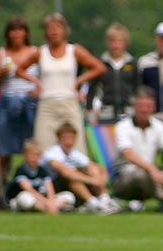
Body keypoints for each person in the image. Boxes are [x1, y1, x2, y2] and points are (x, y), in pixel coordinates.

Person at [16, 13, 104, 155]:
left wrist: (79, 80)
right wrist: (36, 82)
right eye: (50, 28)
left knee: (77, 149)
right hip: (47, 106)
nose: (54, 31)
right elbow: (19, 70)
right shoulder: (41, 52)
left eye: (58, 27)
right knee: (43, 148)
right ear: (45, 32)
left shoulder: (74, 50)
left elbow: (99, 67)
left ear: (65, 30)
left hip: (69, 103)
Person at [112, 89, 163, 210]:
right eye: (141, 106)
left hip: (151, 176)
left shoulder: (158, 126)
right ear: (134, 107)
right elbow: (127, 154)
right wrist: (151, 169)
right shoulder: (123, 126)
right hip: (126, 177)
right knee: (140, 174)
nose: (144, 110)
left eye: (148, 106)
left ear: (153, 108)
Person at [0, 17, 39, 180]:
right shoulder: (1, 54)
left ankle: (33, 181)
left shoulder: (36, 52)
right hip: (7, 102)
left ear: (26, 33)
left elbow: (43, 78)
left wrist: (38, 88)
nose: (16, 34)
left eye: (19, 30)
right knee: (4, 151)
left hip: (30, 103)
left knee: (32, 147)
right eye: (12, 30)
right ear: (8, 34)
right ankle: (1, 188)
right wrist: (0, 73)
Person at [43, 121, 118, 213]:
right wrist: (93, 180)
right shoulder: (52, 153)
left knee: (92, 169)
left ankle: (104, 199)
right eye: (65, 138)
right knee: (73, 176)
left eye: (71, 138)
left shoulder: (74, 153)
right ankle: (94, 204)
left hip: (74, 187)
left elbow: (96, 167)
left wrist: (101, 178)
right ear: (59, 138)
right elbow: (65, 172)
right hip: (54, 187)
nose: (69, 141)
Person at [91, 23, 139, 157]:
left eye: (119, 41)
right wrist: (92, 110)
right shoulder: (100, 63)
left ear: (125, 43)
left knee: (127, 147)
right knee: (107, 150)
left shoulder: (132, 64)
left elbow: (137, 88)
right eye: (112, 41)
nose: (115, 45)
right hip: (106, 112)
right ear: (107, 42)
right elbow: (93, 89)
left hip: (127, 112)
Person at [7, 138, 66, 214]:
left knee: (68, 196)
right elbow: (29, 189)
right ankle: (46, 209)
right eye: (30, 155)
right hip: (27, 197)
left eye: (36, 155)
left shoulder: (42, 170)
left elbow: (49, 189)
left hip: (42, 198)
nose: (33, 158)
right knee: (25, 198)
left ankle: (49, 208)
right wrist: (47, 203)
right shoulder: (21, 170)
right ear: (24, 155)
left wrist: (50, 201)